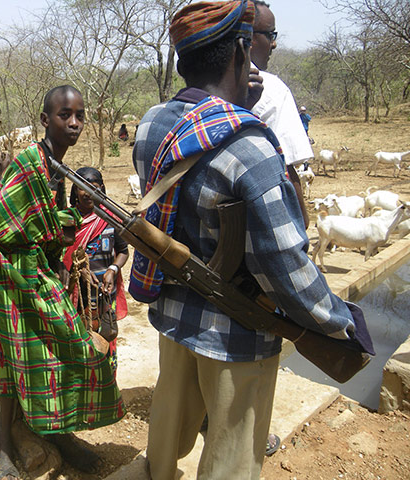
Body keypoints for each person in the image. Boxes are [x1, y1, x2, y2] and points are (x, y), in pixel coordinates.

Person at [129, 2, 373, 479]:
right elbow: (284, 263)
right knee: (232, 459)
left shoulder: (152, 122)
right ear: (242, 51)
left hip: (175, 317)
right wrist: (339, 322)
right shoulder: (250, 147)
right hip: (238, 333)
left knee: (166, 435)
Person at [0, 85, 124, 479]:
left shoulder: (58, 168)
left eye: (79, 115)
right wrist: (58, 228)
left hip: (34, 271)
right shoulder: (29, 164)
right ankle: (3, 449)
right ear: (45, 120)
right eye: (64, 115)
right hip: (6, 275)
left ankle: (61, 431)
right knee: (9, 361)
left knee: (68, 348)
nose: (74, 123)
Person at [249, 0, 314, 228]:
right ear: (248, 37)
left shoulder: (196, 92)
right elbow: (285, 166)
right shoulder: (272, 88)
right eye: (270, 35)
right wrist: (302, 222)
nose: (274, 44)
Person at [64, 167, 129, 372]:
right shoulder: (67, 220)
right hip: (74, 297)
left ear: (101, 189)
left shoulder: (109, 218)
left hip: (103, 295)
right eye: (83, 188)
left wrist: (113, 269)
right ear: (75, 191)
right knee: (77, 346)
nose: (89, 193)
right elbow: (58, 256)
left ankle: (106, 391)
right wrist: (79, 270)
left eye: (95, 187)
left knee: (105, 342)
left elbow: (123, 251)